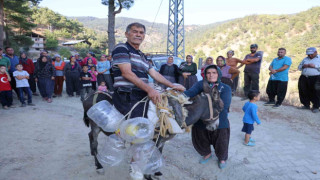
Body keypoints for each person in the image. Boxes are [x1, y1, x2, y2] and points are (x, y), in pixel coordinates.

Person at [111, 22, 184, 179]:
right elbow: (127, 73)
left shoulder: (144, 56)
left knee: (165, 113)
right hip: (127, 93)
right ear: (127, 34)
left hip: (142, 92)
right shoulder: (121, 49)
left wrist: (172, 85)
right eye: (135, 32)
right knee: (141, 131)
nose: (138, 34)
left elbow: (155, 74)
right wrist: (150, 89)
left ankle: (151, 150)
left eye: (141, 32)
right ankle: (135, 167)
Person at [184, 64, 232, 169]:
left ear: (218, 74)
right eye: (208, 73)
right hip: (201, 120)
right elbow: (189, 93)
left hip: (219, 120)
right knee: (201, 138)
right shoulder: (200, 84)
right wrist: (177, 94)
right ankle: (207, 154)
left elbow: (225, 105)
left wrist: (205, 101)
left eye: (214, 73)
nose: (211, 75)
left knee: (221, 141)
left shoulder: (225, 88)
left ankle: (222, 158)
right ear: (205, 75)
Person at [297, 47, 320, 113]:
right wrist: (303, 66)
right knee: (303, 90)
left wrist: (315, 66)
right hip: (304, 77)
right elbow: (299, 67)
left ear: (316, 52)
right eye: (308, 54)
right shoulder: (305, 59)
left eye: (311, 54)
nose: (310, 55)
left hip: (316, 77)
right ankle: (306, 105)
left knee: (316, 92)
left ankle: (316, 106)